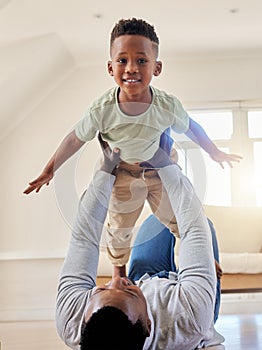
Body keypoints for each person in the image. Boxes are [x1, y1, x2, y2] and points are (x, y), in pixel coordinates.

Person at [24, 17, 241, 275]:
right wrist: (51, 169)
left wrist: (214, 152)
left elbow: (192, 127)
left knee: (182, 216)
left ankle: (201, 257)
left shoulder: (166, 105)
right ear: (110, 67)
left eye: (141, 60)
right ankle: (119, 275)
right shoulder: (102, 109)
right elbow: (74, 138)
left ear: (157, 67)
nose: (131, 68)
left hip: (160, 171)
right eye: (122, 60)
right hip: (123, 173)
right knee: (119, 226)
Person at [55, 136, 225, 349]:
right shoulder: (190, 319)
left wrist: (105, 172)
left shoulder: (71, 320)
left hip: (145, 278)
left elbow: (83, 239)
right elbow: (193, 228)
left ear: (84, 320)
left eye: (101, 289)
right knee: (204, 226)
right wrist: (166, 166)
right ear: (148, 325)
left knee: (157, 219)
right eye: (127, 291)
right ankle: (196, 278)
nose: (116, 281)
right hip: (181, 300)